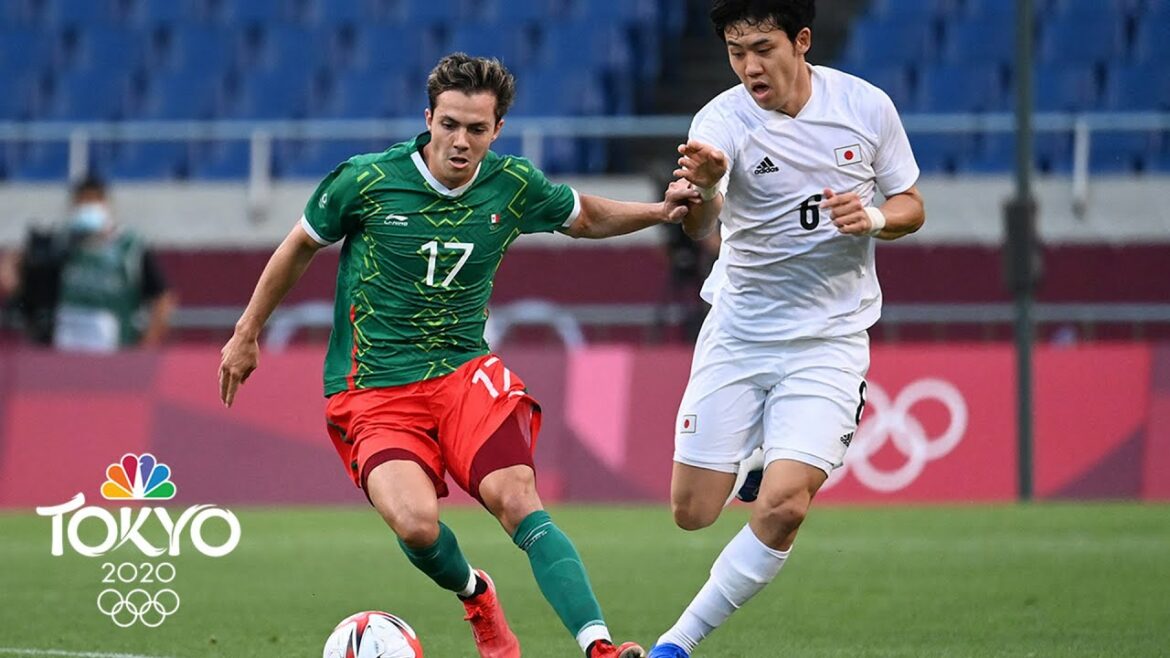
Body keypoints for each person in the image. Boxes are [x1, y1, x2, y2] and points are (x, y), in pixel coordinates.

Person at [218, 53, 695, 658]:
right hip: (373, 389)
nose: (460, 141)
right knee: (415, 525)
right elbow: (298, 247)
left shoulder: (513, 184)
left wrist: (660, 212)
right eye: (449, 124)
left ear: (496, 131)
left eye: (476, 129)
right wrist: (246, 330)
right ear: (428, 118)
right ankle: (477, 596)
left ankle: (598, 646)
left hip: (463, 374)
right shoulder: (366, 180)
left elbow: (585, 217)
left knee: (518, 498)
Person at [647, 1, 926, 656]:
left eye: (763, 48)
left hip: (829, 339)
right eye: (735, 51)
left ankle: (675, 645)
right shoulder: (720, 121)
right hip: (740, 330)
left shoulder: (866, 108)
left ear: (801, 42)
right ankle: (750, 459)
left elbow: (912, 203)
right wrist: (708, 191)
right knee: (692, 513)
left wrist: (877, 220)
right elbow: (697, 227)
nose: (749, 66)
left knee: (785, 507)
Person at [0, 175, 175, 351]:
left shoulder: (130, 248)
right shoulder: (57, 246)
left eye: (94, 200)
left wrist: (142, 350)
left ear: (107, 204)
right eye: (81, 201)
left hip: (116, 356)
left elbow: (162, 299)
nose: (88, 207)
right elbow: (28, 300)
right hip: (62, 356)